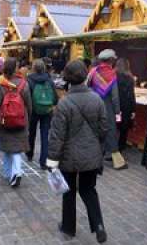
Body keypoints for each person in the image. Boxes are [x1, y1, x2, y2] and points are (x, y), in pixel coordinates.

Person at [47, 60, 108, 243]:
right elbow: (104, 129)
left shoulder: (64, 103)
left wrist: (52, 161)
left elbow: (57, 136)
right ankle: (99, 226)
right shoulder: (97, 99)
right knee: (89, 189)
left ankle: (68, 228)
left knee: (69, 191)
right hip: (91, 154)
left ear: (67, 78)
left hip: (69, 157)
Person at [0, 58, 32, 187]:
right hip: (20, 120)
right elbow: (29, 104)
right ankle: (14, 173)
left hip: (5, 121)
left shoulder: (0, 83)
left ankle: (13, 173)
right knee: (17, 148)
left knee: (8, 148)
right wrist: (27, 118)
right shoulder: (23, 83)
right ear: (15, 68)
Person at [88, 49, 128, 170]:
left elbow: (87, 87)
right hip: (107, 107)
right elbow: (115, 96)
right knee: (110, 131)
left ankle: (95, 160)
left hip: (93, 106)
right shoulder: (112, 74)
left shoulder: (93, 72)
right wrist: (117, 111)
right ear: (111, 60)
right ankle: (118, 161)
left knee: (95, 132)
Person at [26, 59, 58, 169]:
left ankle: (29, 154)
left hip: (33, 110)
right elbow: (55, 98)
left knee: (32, 132)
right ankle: (43, 161)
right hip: (46, 111)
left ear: (33, 68)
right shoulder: (49, 80)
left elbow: (27, 97)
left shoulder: (29, 80)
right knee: (45, 135)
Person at [115, 58, 136, 152]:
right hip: (126, 107)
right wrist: (133, 110)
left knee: (115, 127)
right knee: (124, 128)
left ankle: (112, 148)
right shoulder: (130, 78)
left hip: (117, 107)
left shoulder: (114, 77)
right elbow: (132, 95)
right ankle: (121, 148)